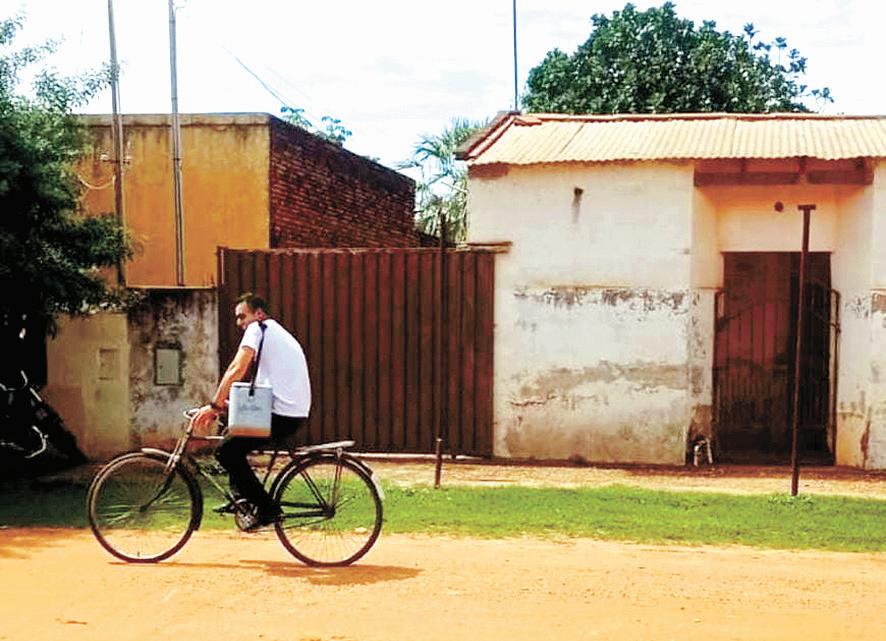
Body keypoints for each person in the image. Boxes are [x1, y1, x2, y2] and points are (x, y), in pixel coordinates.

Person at [193, 292, 311, 530]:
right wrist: (229, 405)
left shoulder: (258, 328)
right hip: (287, 411)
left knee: (225, 452)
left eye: (242, 316)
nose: (239, 323)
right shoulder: (272, 332)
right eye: (237, 318)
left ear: (258, 314)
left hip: (283, 414)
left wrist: (214, 406)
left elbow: (237, 369)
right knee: (230, 434)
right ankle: (243, 501)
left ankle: (267, 509)